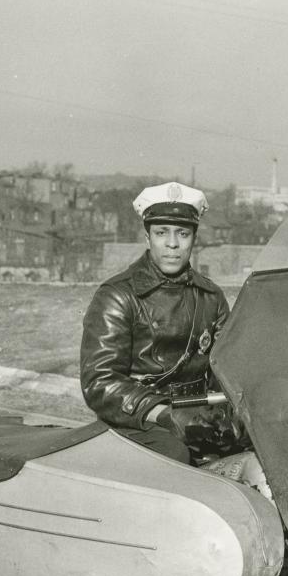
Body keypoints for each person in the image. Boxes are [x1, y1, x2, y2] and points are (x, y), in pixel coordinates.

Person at [80, 182, 236, 465]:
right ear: (147, 237)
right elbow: (100, 382)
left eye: (183, 233)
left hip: (197, 417)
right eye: (162, 233)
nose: (173, 244)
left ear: (194, 239)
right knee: (174, 455)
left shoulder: (211, 297)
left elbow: (229, 369)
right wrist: (163, 413)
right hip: (137, 420)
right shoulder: (118, 295)